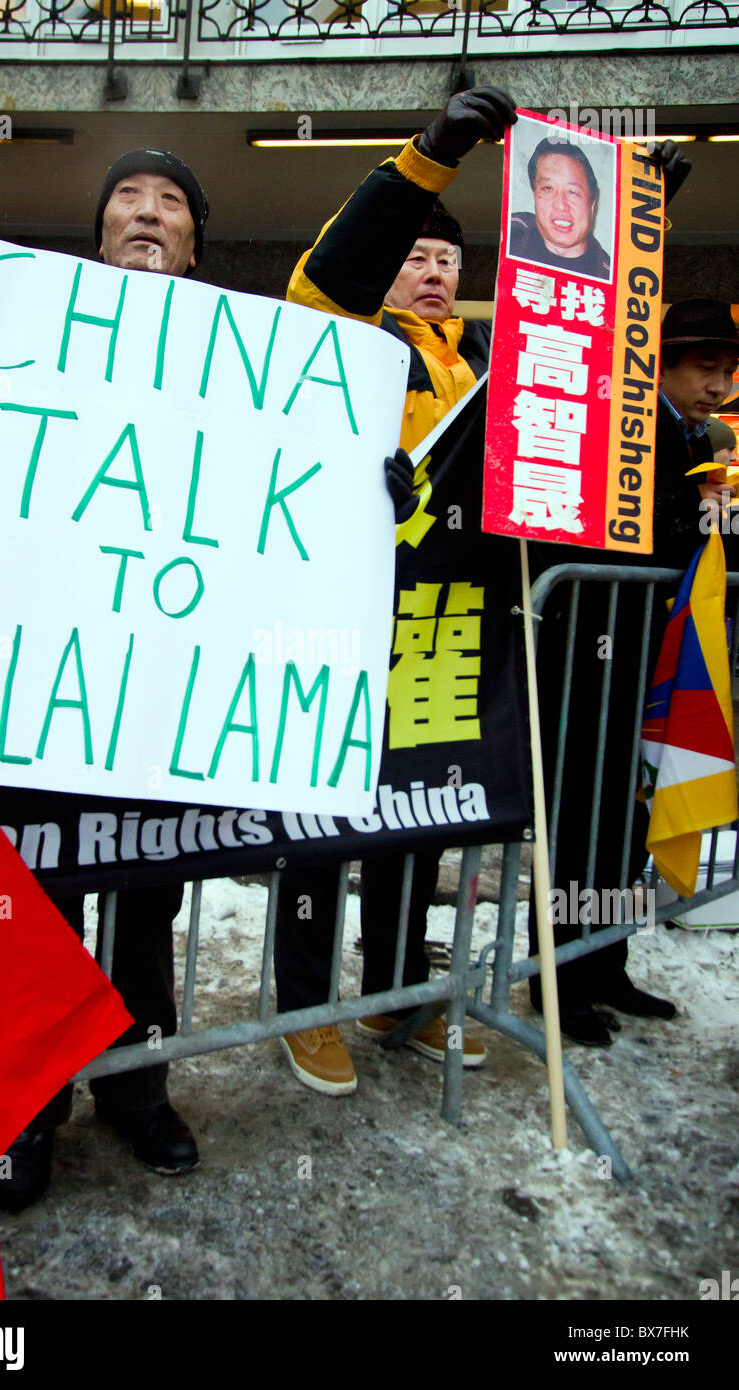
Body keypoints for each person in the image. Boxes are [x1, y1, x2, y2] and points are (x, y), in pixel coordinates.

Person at [0, 147, 416, 1201]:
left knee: (143, 910)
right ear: (99, 228)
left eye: (172, 199)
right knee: (26, 917)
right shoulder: (11, 347)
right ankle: (21, 1114)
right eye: (127, 197)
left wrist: (368, 494)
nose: (147, 212)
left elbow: (292, 525)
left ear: (195, 241)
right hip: (27, 704)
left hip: (154, 712)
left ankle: (136, 1087)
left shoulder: (251, 368)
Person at [274, 86, 519, 1095]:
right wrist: (428, 154)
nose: (429, 269)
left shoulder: (473, 370)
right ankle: (304, 1009)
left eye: (445, 258)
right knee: (321, 821)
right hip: (334, 619)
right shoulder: (338, 329)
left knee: (412, 815)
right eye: (414, 253)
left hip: (430, 633)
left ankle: (392, 995)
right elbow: (334, 265)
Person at [528, 297, 739, 1045]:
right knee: (581, 818)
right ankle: (558, 977)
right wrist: (691, 511)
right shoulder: (627, 428)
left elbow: (709, 556)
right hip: (594, 649)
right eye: (705, 370)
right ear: (666, 365)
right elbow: (620, 538)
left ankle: (606, 959)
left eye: (727, 373)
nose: (718, 388)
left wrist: (720, 518)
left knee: (629, 820)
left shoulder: (707, 439)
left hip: (660, 655)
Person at [509, 136, 611, 281]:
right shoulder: (509, 232)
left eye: (573, 192)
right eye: (548, 188)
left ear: (592, 203)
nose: (561, 205)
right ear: (534, 193)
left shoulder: (611, 277)